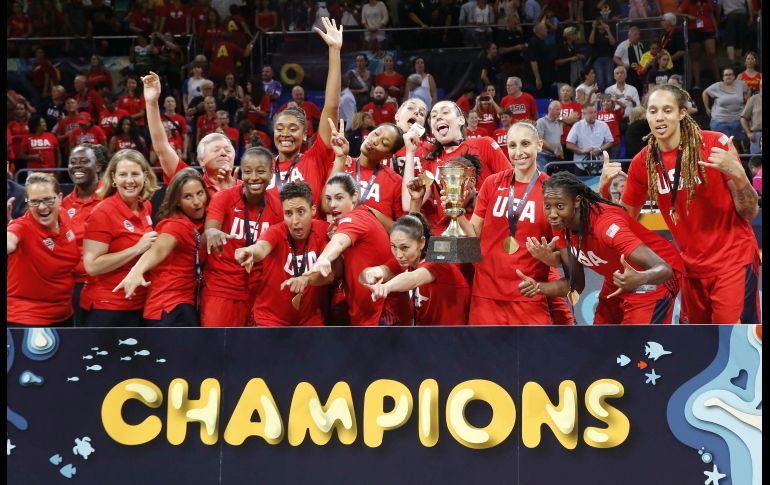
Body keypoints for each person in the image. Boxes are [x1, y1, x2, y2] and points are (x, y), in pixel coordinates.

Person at [600, 83, 760, 324]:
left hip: (733, 262)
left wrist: (739, 176)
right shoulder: (643, 162)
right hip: (691, 270)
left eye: (667, 110)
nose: (659, 117)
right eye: (653, 111)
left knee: (736, 345)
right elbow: (624, 220)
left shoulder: (714, 144)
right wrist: (603, 190)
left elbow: (749, 212)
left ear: (682, 113)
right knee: (699, 349)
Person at [449, 122, 572, 324]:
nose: (518, 152)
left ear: (539, 145)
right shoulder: (492, 183)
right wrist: (457, 212)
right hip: (485, 298)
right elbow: (474, 236)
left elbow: (563, 257)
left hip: (528, 297)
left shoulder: (551, 192)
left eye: (525, 144)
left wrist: (552, 259)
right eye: (512, 145)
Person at [524, 170, 683, 324]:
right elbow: (575, 285)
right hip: (618, 277)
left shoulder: (606, 226)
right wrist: (538, 287)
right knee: (601, 342)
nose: (552, 214)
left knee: (638, 347)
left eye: (559, 206)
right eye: (547, 206)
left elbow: (664, 268)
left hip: (653, 277)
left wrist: (641, 279)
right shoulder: (560, 224)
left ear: (577, 201)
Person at [304, 173, 410, 325]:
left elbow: (339, 242)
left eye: (339, 198)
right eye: (328, 198)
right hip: (368, 313)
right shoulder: (363, 214)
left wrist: (323, 258)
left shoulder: (355, 218)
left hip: (383, 313)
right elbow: (339, 270)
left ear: (354, 197)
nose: (332, 204)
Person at [113, 168, 208, 326]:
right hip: (169, 310)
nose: (197, 201)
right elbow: (159, 249)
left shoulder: (195, 224)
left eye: (200, 193)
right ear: (178, 201)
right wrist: (137, 270)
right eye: (188, 197)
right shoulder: (176, 225)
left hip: (178, 307)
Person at [203, 147, 284, 326]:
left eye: (261, 171)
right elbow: (208, 233)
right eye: (248, 171)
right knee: (217, 349)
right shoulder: (223, 198)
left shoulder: (279, 206)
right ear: (241, 172)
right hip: (222, 289)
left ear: (271, 174)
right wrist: (211, 232)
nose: (254, 177)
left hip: (261, 292)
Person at [267, 17, 343, 210]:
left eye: (293, 129)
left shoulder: (315, 158)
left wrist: (334, 51)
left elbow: (331, 107)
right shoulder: (263, 168)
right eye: (280, 128)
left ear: (305, 134)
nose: (285, 133)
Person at [234, 182, 334, 326]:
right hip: (270, 320)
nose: (295, 221)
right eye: (288, 213)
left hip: (309, 321)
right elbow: (261, 248)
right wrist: (250, 251)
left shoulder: (323, 231)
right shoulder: (276, 231)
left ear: (312, 209)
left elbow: (330, 275)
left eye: (300, 212)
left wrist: (306, 279)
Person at [81, 149, 160, 327]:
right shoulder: (102, 212)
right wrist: (137, 248)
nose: (130, 181)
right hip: (108, 308)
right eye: (123, 174)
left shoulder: (144, 205)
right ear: (114, 178)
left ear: (145, 176)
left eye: (135, 174)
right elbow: (92, 266)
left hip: (139, 303)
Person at [361, 212, 471, 325]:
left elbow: (413, 278)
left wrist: (386, 287)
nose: (398, 254)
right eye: (393, 246)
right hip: (425, 333)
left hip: (452, 335)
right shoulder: (407, 258)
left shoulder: (439, 258)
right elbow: (382, 271)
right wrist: (372, 272)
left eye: (404, 247)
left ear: (422, 242)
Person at [144, 72, 238, 195]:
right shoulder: (188, 182)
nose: (223, 153)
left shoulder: (248, 189)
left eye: (228, 150)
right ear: (201, 159)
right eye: (216, 150)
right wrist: (151, 104)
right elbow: (162, 148)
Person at [7, 172, 79, 326]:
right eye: (34, 202)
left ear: (60, 198)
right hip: (26, 318)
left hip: (64, 315)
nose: (42, 207)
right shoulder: (21, 227)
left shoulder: (64, 216)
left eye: (47, 199)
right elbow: (10, 242)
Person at [328, 118, 405, 221]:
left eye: (384, 143)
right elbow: (325, 205)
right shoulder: (341, 164)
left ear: (388, 156)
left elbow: (400, 229)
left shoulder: (395, 182)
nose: (374, 141)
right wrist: (340, 158)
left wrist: (367, 213)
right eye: (376, 134)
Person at [61, 144, 103, 326]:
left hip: (104, 287)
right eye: (73, 162)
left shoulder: (112, 198)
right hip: (72, 289)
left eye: (84, 161)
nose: (77, 166)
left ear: (98, 167)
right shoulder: (63, 204)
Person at [703, 68, 749, 150]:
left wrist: (747, 102)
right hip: (720, 120)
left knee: (735, 144)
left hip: (737, 119)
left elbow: (747, 90)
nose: (728, 76)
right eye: (726, 75)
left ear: (734, 76)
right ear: (723, 77)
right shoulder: (717, 86)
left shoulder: (741, 84)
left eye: (730, 74)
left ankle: (735, 160)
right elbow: (705, 92)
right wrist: (707, 108)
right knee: (723, 143)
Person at [678, 0, 719, 89]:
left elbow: (711, 15)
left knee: (712, 53)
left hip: (708, 29)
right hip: (693, 30)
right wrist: (687, 15)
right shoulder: (687, 2)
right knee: (696, 56)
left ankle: (718, 80)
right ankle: (697, 83)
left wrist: (716, 30)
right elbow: (677, 13)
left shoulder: (708, 1)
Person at [566, 103, 614, 175]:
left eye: (595, 112)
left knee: (599, 186)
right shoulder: (577, 126)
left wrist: (600, 149)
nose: (594, 114)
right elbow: (569, 144)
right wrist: (581, 150)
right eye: (591, 113)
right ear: (584, 114)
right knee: (581, 186)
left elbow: (610, 142)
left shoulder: (603, 125)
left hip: (599, 164)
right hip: (581, 164)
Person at [536, 101, 565, 171]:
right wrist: (555, 150)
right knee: (544, 178)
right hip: (543, 156)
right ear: (550, 109)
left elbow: (558, 140)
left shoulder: (559, 123)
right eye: (557, 109)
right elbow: (540, 140)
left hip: (555, 157)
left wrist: (561, 151)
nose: (559, 112)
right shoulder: (541, 122)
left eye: (560, 110)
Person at [740, 79, 762, 155]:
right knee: (757, 161)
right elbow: (743, 118)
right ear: (760, 86)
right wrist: (748, 133)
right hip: (758, 135)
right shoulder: (753, 99)